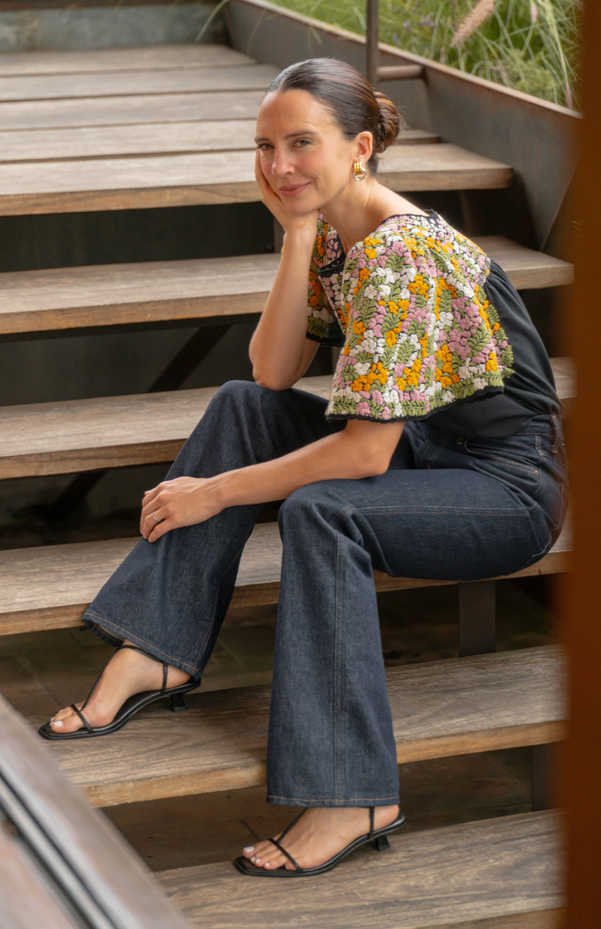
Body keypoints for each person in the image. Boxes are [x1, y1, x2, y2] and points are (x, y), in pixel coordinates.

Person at [39, 58, 567, 877]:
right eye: (264, 146)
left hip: (502, 486)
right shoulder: (330, 228)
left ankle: (354, 790)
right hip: (426, 448)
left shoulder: (404, 253)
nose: (278, 166)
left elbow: (362, 453)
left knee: (324, 508)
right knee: (240, 408)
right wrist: (293, 233)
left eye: (300, 143)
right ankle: (161, 646)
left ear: (359, 147)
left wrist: (209, 492)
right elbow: (272, 373)